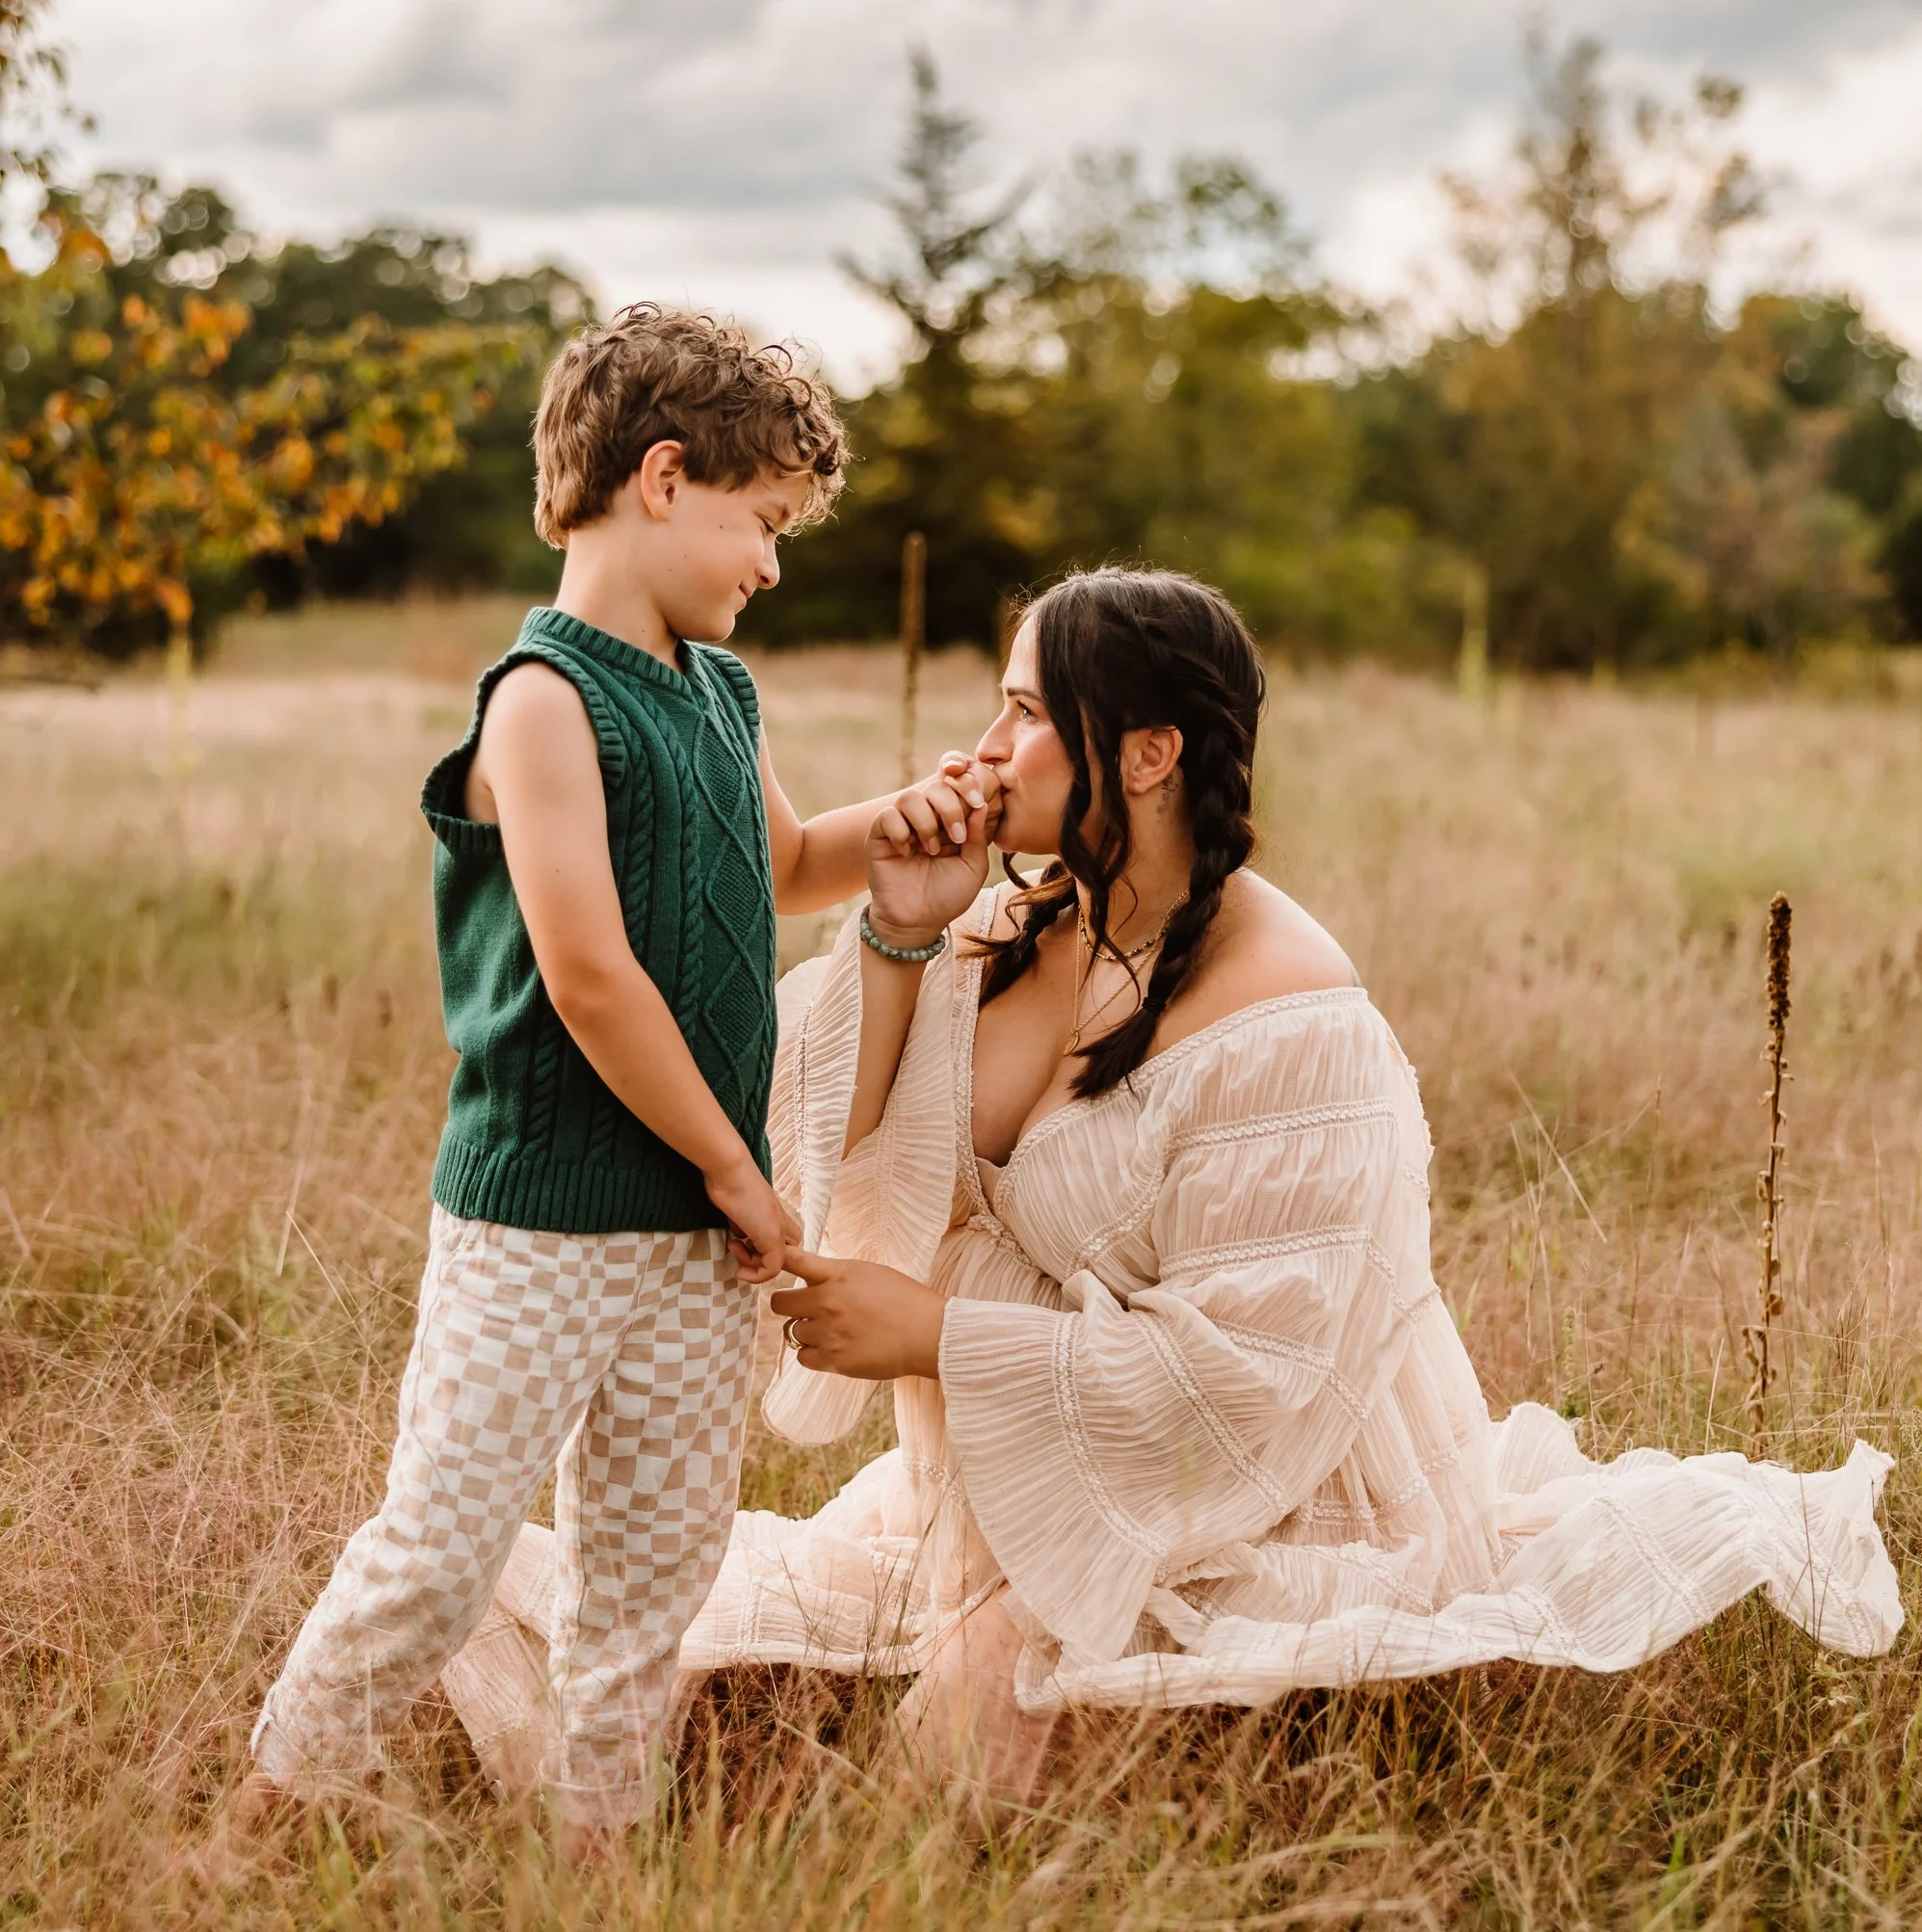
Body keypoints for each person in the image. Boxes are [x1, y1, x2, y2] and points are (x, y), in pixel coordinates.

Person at [445, 566, 1902, 1812]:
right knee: (611, 1669)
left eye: (1023, 711)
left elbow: (1253, 1380)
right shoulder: (1020, 918)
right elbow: (841, 1170)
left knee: (948, 1753)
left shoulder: (1296, 1026)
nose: (984, 745)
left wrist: (935, 1337)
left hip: (1245, 1509)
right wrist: (895, 939)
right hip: (1012, 1479)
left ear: (1143, 756)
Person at [240, 304, 991, 1841]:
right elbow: (585, 968)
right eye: (761, 523)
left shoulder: (719, 695)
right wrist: (733, 1164)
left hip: (694, 1252)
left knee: (650, 1579)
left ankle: (601, 1859)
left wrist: (916, 823)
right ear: (661, 479)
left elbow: (780, 863)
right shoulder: (541, 701)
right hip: (547, 1222)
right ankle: (272, 1806)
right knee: (445, 1547)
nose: (771, 565)